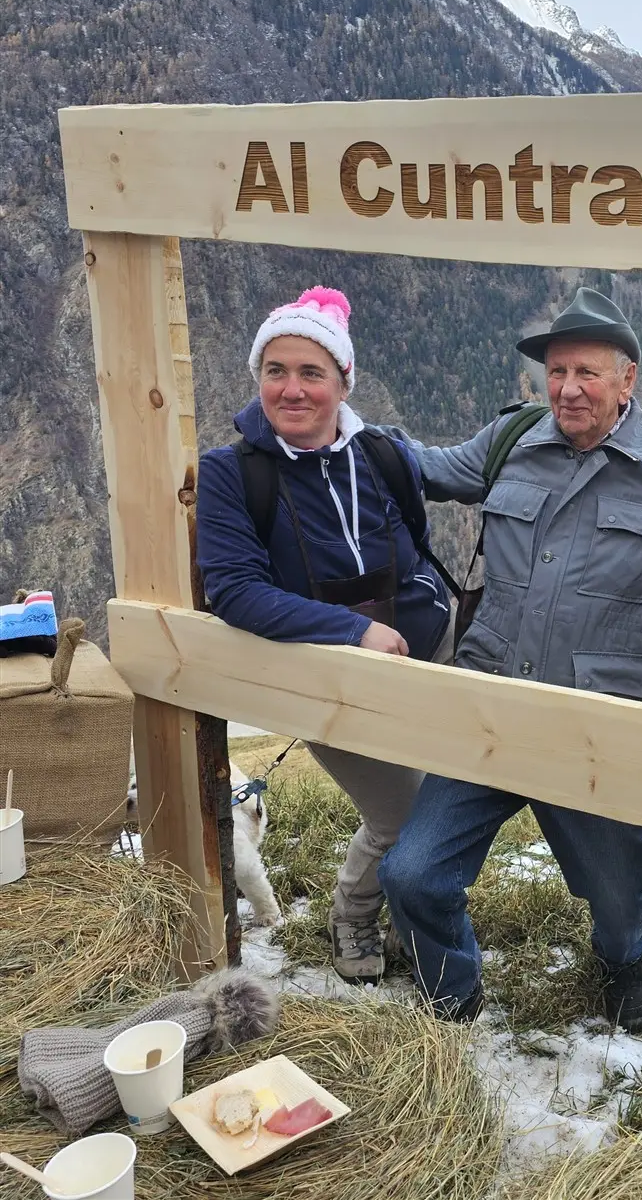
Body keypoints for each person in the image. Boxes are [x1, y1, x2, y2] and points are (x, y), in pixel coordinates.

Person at [377, 286, 642, 1032]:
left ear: (627, 379)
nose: (566, 388)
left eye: (587, 373)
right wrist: (335, 423)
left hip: (595, 724)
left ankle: (622, 962)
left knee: (618, 887)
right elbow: (419, 468)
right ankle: (453, 994)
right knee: (411, 872)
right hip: (492, 704)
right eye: (556, 371)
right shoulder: (510, 441)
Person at [197, 286, 453, 983]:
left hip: (426, 657)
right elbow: (237, 590)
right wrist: (353, 629)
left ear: (344, 381)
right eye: (276, 370)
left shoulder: (382, 455)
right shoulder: (233, 473)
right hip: (327, 678)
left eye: (312, 372)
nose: (292, 388)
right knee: (400, 813)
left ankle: (410, 912)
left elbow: (416, 546)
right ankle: (354, 913)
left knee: (448, 804)